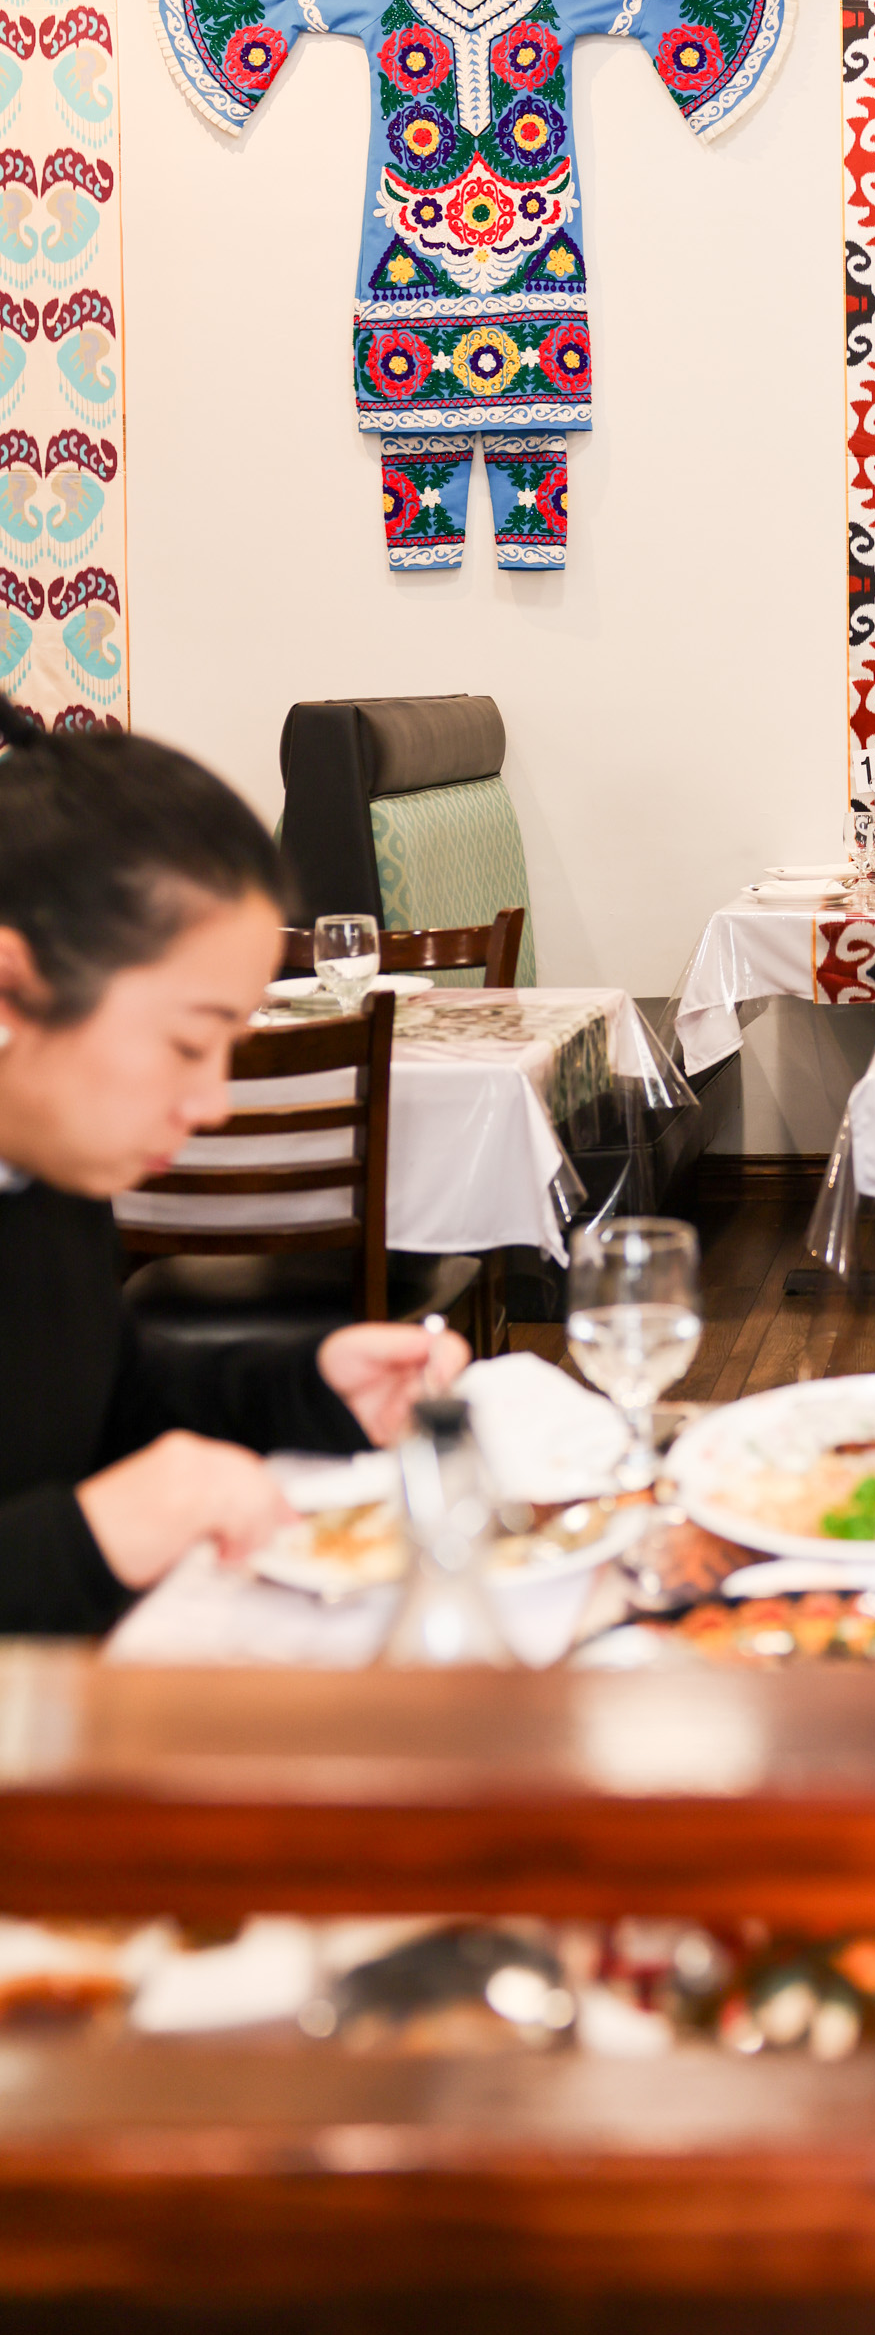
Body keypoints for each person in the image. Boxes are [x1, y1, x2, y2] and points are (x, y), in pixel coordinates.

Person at [0, 699, 465, 1634]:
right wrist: (95, 1534)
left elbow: (112, 1391)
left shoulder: (48, 1182)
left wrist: (311, 1388)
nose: (212, 1103)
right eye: (186, 1042)